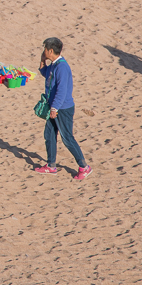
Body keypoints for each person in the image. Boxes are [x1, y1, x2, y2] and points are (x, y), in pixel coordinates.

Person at [34, 37, 91, 179]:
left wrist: (54, 109)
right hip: (55, 107)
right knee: (49, 134)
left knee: (67, 138)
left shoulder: (62, 67)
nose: (43, 51)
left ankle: (84, 167)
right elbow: (46, 75)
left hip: (62, 109)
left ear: (50, 50)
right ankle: (51, 165)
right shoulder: (54, 64)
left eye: (45, 49)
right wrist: (42, 61)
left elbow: (62, 90)